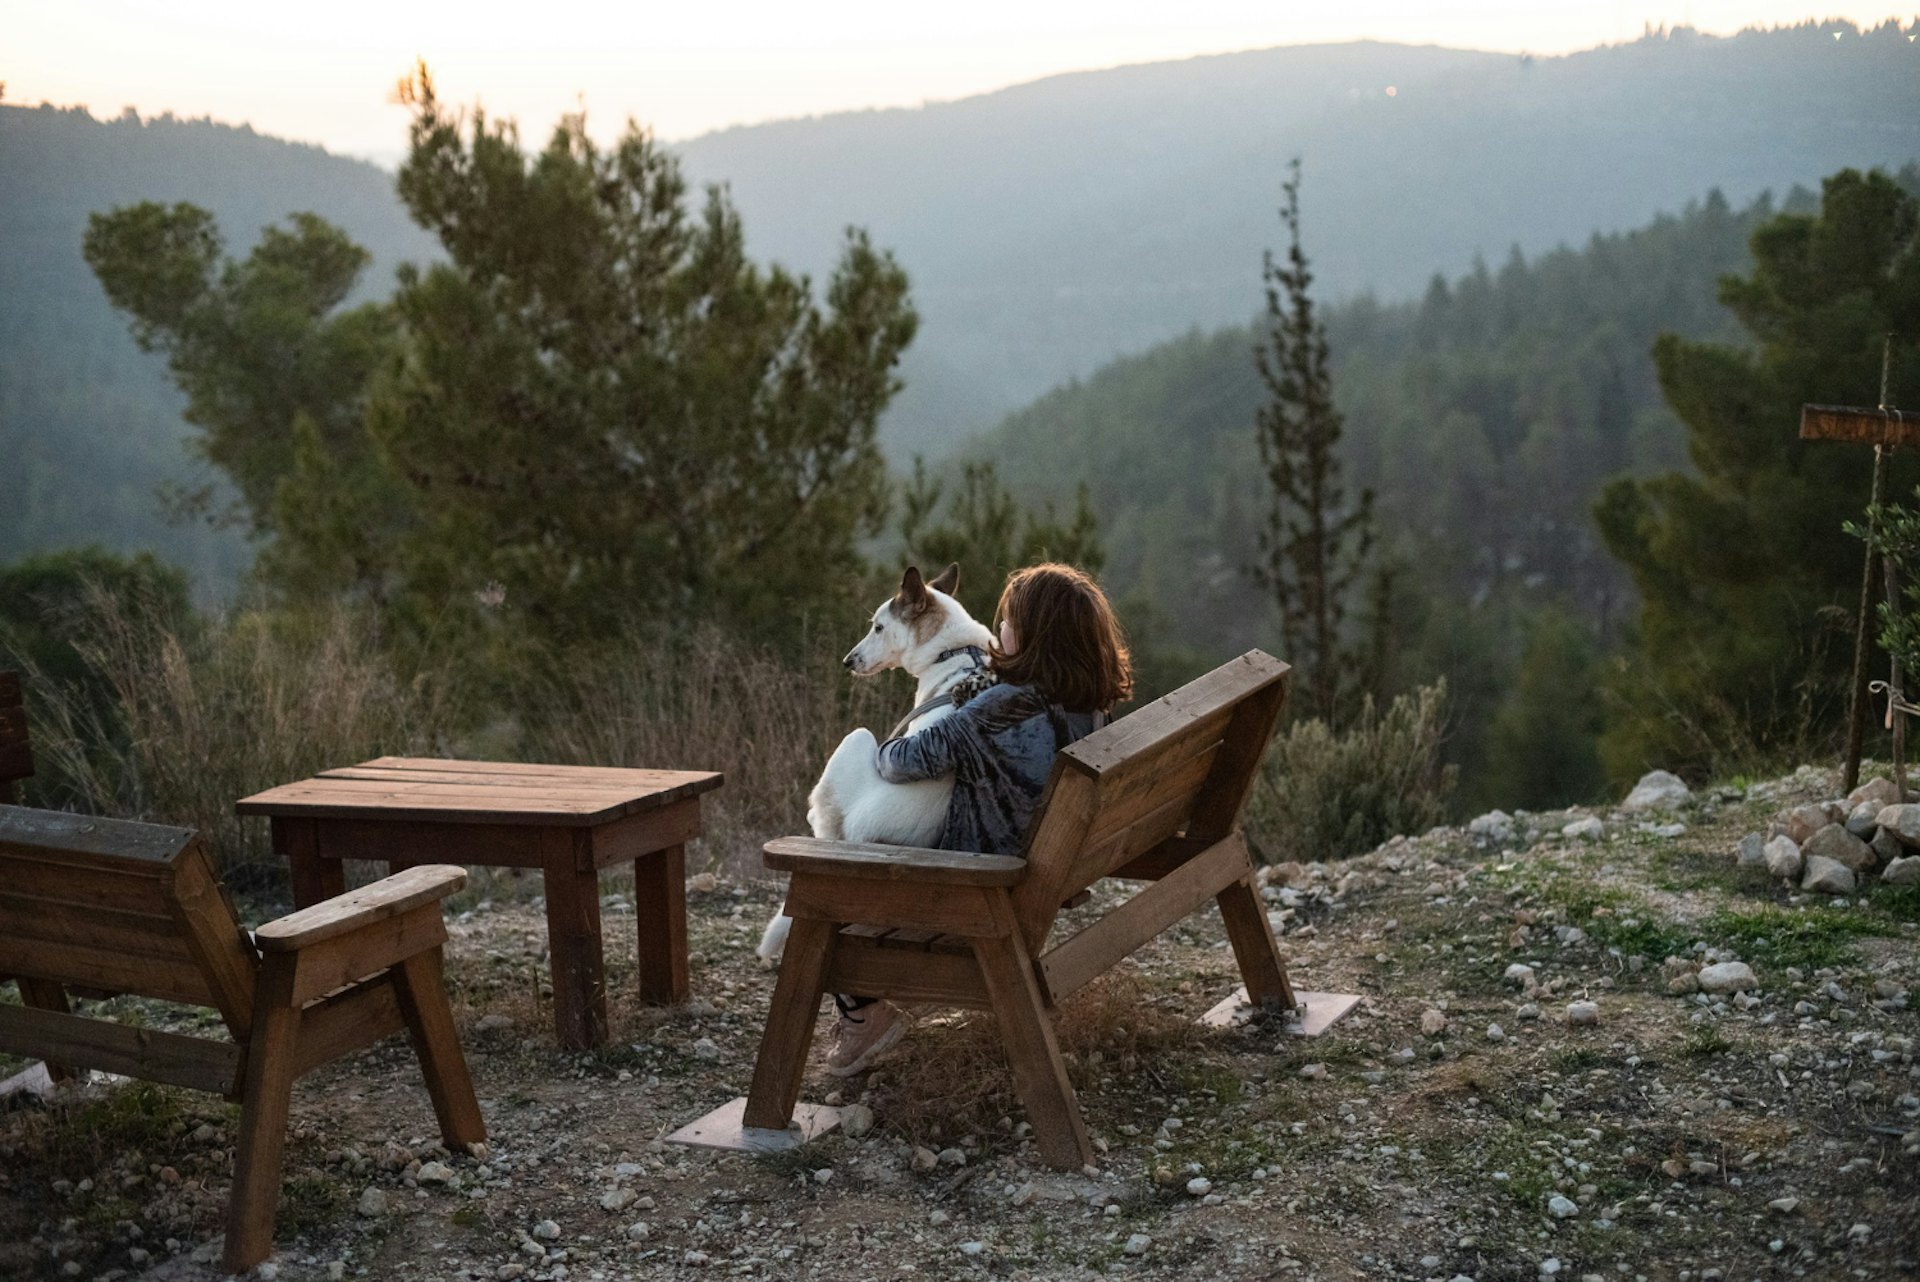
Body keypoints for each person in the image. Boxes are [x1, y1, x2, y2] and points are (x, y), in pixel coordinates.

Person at [826, 562, 1134, 1075]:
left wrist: (913, 729)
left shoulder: (1002, 707)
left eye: (1009, 620)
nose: (1001, 630)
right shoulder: (1094, 705)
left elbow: (902, 761)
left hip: (979, 878)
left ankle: (862, 1018)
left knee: (828, 891)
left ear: (1035, 637)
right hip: (1047, 870)